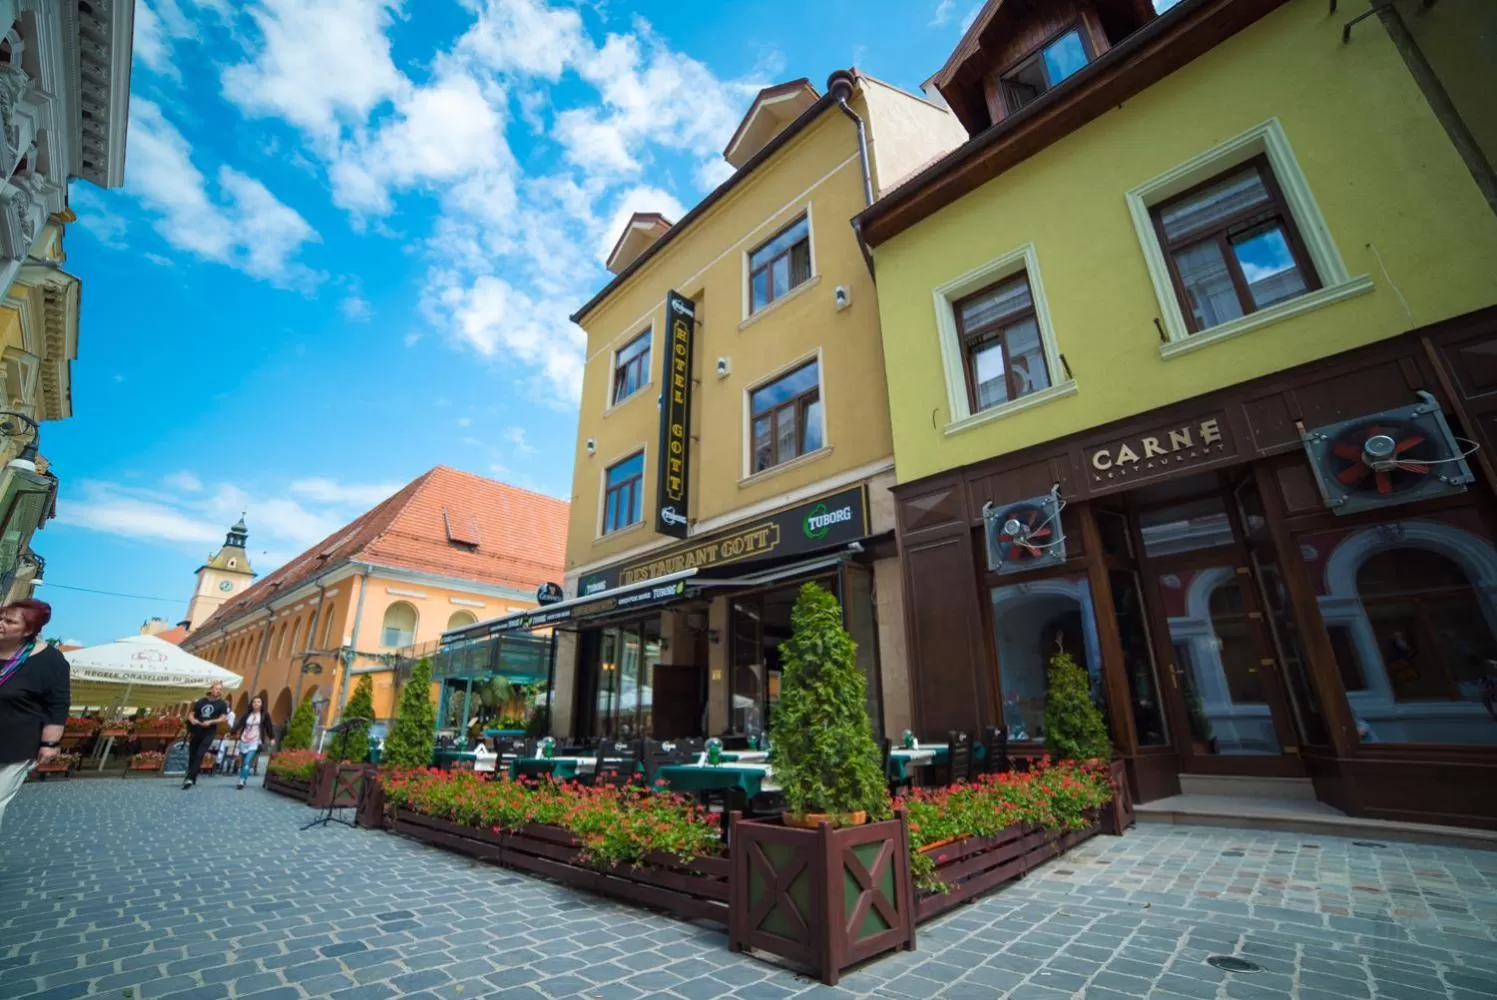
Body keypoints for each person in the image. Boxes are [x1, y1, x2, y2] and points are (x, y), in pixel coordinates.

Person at [0, 599, 68, 831]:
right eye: (1, 617)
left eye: (9, 621)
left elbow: (57, 705)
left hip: (13, 746)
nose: (1, 623)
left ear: (29, 630)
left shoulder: (50, 660)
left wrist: (50, 743)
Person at [183, 681, 229, 789]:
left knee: (200, 754)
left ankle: (189, 778)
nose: (218, 691)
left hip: (209, 732)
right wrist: (193, 719)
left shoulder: (221, 704)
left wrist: (211, 721)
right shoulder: (202, 701)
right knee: (192, 754)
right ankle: (192, 776)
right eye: (216, 688)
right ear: (211, 689)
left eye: (220, 689)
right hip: (196, 730)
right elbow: (191, 714)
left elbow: (223, 718)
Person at [232, 695, 274, 789]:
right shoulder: (247, 714)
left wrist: (272, 738)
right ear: (251, 704)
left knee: (247, 761)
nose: (256, 704)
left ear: (262, 704)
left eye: (258, 702)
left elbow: (269, 727)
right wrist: (232, 732)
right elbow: (239, 724)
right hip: (244, 739)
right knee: (243, 762)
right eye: (254, 702)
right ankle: (244, 777)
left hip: (255, 740)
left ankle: (241, 781)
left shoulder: (264, 715)